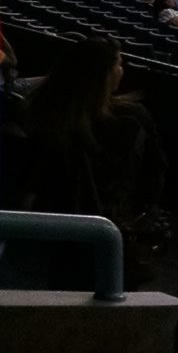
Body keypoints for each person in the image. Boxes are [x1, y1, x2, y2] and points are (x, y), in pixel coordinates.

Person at [19, 37, 166, 288]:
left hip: (49, 235)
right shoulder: (132, 120)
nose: (122, 70)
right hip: (110, 233)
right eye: (119, 64)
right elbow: (154, 175)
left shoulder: (39, 113)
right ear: (106, 75)